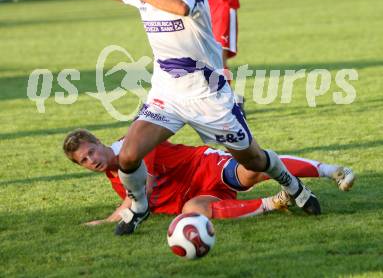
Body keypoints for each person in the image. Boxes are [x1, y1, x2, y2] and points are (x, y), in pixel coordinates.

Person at [41, 0, 320, 237]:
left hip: (208, 96)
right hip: (168, 94)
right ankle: (139, 207)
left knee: (252, 160)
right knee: (129, 155)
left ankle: (293, 186)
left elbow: (179, 7)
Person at [63, 129, 355, 224]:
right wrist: (111, 218)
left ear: (100, 143)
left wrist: (112, 219)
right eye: (84, 161)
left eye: (92, 152)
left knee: (252, 170)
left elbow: (143, 188)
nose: (92, 161)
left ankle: (331, 171)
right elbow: (136, 200)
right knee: (193, 211)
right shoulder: (113, 175)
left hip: (205, 168)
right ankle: (275, 202)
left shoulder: (133, 146)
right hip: (195, 196)